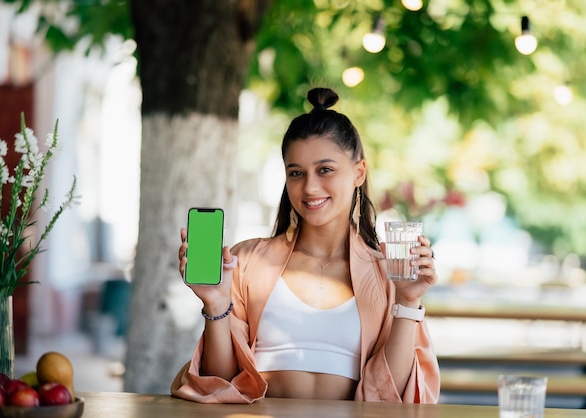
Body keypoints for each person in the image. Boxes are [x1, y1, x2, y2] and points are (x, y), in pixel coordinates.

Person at [171, 87, 440, 404]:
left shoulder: (389, 274)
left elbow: (390, 398)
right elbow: (221, 384)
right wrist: (215, 305)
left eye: (325, 169)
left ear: (358, 172)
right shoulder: (245, 262)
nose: (310, 187)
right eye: (296, 173)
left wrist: (408, 301)